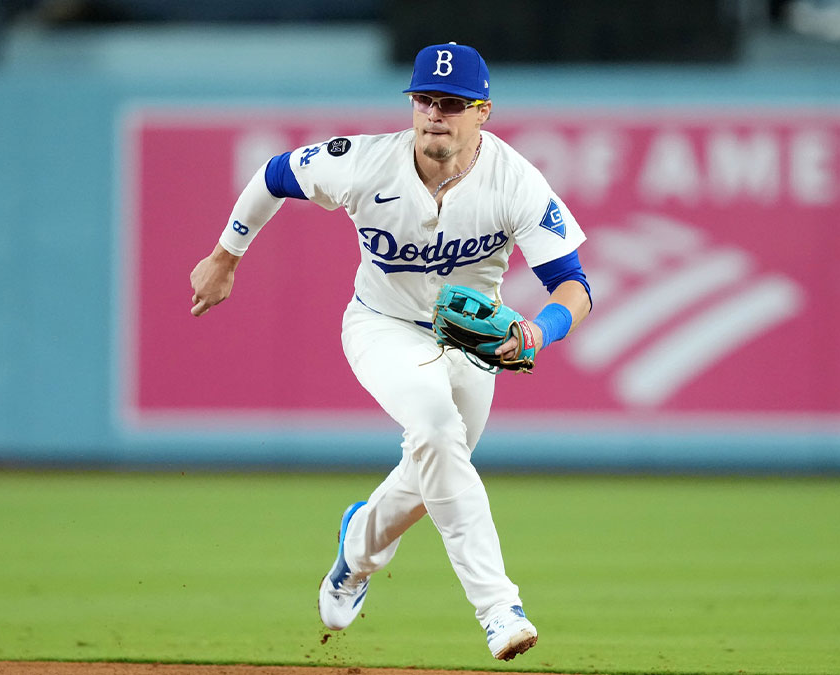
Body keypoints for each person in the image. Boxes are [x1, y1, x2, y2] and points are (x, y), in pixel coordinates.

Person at [188, 42, 592, 661]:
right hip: (382, 326)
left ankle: (356, 551)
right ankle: (498, 608)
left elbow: (575, 285)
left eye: (452, 104)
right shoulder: (363, 163)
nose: (435, 113)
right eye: (425, 100)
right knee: (434, 426)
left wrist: (538, 332)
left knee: (434, 463)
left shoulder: (516, 182)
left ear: (483, 111)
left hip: (470, 347)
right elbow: (273, 175)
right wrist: (225, 256)